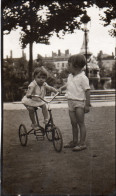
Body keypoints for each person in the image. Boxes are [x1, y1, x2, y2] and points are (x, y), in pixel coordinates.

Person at [59, 54, 90, 151]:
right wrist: (61, 88)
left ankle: (82, 143)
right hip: (70, 102)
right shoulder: (70, 76)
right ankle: (75, 141)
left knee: (81, 123)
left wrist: (87, 105)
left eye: (69, 65)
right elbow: (68, 84)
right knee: (73, 122)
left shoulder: (83, 78)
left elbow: (87, 91)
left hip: (79, 103)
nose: (67, 67)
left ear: (75, 66)